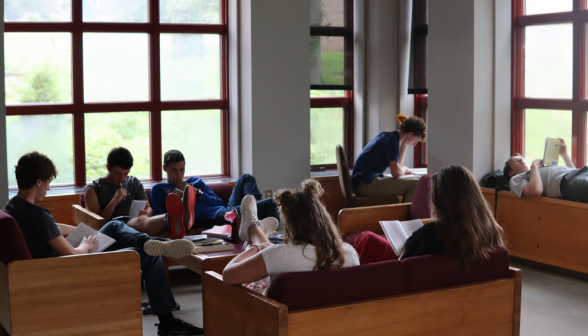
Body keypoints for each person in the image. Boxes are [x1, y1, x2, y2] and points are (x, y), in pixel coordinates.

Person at [5, 152, 203, 336]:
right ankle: (168, 323)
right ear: (38, 181)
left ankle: (149, 241)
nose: (48, 188)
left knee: (115, 225)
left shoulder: (13, 206)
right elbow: (74, 255)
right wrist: (85, 244)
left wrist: (78, 231)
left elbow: (52, 227)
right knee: (149, 256)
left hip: (52, 264)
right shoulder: (38, 214)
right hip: (70, 267)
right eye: (48, 183)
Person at [354, 165, 505, 268]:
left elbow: (402, 268)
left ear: (439, 199)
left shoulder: (431, 234)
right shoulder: (490, 230)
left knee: (367, 238)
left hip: (412, 293)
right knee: (368, 238)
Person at [222, 179, 359, 291]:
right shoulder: (348, 252)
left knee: (260, 257)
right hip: (331, 320)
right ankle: (254, 228)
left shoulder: (280, 255)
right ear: (325, 220)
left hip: (279, 320)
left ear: (290, 226)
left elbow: (228, 275)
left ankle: (253, 227)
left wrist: (257, 248)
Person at [150, 149, 280, 236]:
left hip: (223, 210)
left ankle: (253, 210)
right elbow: (159, 217)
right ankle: (254, 214)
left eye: (182, 169)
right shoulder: (159, 189)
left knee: (246, 178)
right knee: (272, 203)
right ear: (164, 168)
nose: (179, 175)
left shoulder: (195, 181)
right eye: (174, 170)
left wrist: (198, 193)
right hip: (212, 218)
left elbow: (220, 202)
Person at [84, 147, 193, 238]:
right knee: (142, 222)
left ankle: (176, 218)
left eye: (126, 173)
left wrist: (147, 213)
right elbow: (97, 224)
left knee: (170, 233)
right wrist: (114, 201)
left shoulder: (133, 182)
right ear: (108, 167)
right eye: (118, 173)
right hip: (115, 226)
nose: (122, 178)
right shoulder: (93, 189)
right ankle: (178, 214)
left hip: (139, 222)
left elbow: (148, 207)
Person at [351, 116, 427, 203]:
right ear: (410, 134)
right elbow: (396, 173)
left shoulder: (389, 136)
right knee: (416, 184)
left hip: (364, 182)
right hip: (365, 185)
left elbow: (398, 168)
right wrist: (405, 168)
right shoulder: (391, 141)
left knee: (416, 180)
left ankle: (406, 213)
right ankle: (408, 215)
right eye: (416, 139)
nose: (415, 144)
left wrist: (404, 145)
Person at [503, 138, 588, 202]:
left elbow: (572, 171)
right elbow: (536, 191)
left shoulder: (536, 171)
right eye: (516, 161)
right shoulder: (516, 179)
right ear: (511, 173)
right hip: (567, 183)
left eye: (521, 158)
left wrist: (564, 155)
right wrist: (534, 165)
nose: (521, 160)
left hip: (579, 172)